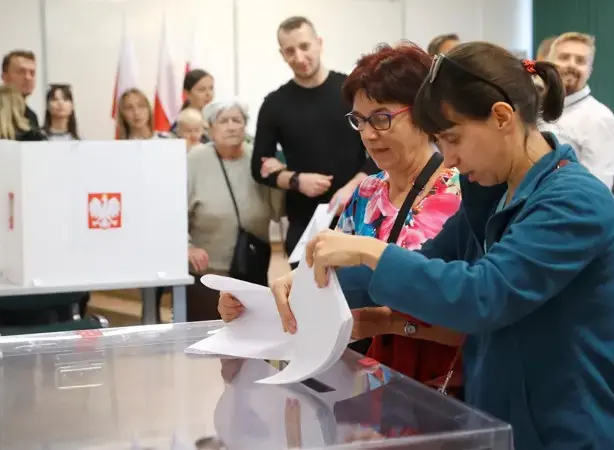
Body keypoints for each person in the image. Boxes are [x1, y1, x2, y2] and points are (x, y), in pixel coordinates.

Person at [265, 42, 614, 449]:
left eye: (452, 138)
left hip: (573, 435)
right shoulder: (496, 194)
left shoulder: (572, 201)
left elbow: (483, 294)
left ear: (502, 117)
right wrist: (310, 283)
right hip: (509, 427)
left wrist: (367, 249)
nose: (447, 160)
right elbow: (429, 263)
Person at [218, 43, 464, 391]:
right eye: (359, 121)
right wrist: (257, 308)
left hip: (442, 385)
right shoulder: (365, 193)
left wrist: (382, 324)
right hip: (368, 384)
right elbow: (325, 283)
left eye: (382, 118)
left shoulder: (461, 194)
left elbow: (476, 311)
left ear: (424, 113)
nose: (367, 134)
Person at [251, 16, 378, 264]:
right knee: (307, 298)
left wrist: (352, 188)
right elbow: (259, 166)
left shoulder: (352, 91)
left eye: (305, 46)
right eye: (290, 51)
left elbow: (380, 150)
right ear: (282, 54)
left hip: (357, 213)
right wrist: (297, 180)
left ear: (319, 43)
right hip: (305, 223)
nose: (299, 57)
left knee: (359, 296)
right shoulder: (275, 103)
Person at [187, 100, 284, 320]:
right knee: (208, 335)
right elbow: (174, 212)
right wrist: (187, 247)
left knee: (254, 335)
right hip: (207, 272)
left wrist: (279, 177)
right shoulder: (194, 160)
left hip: (252, 265)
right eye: (224, 121)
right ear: (210, 128)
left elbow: (278, 211)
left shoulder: (258, 159)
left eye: (237, 120)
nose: (231, 127)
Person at [540, 32, 614, 190]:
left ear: (590, 70)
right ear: (549, 63)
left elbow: (598, 187)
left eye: (580, 60)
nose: (571, 65)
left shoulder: (600, 118)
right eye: (564, 57)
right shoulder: (534, 109)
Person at [170, 68, 214, 143]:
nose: (209, 94)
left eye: (211, 88)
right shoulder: (182, 123)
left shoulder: (215, 118)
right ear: (187, 93)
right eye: (201, 90)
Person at [1, 49, 39, 130]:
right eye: (21, 72)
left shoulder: (32, 116)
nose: (28, 77)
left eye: (32, 73)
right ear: (5, 77)